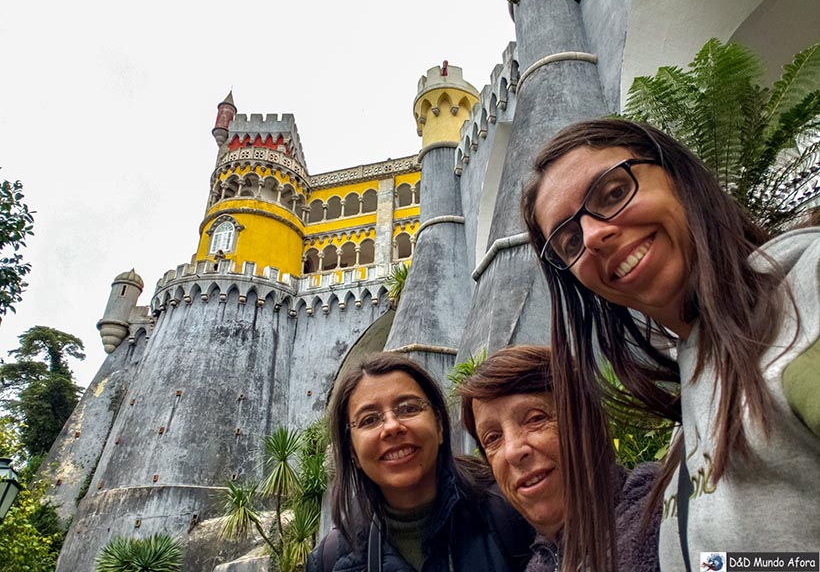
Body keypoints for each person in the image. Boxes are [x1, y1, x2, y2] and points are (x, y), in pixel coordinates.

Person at [520, 118, 820, 572]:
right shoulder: (695, 396)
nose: (595, 235)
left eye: (614, 193)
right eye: (569, 241)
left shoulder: (805, 308)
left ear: (678, 176)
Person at [306, 352, 533, 572]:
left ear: (439, 425)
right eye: (370, 419)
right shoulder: (331, 559)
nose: (392, 427)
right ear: (352, 451)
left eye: (408, 408)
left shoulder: (512, 514)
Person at [458, 345, 660, 572]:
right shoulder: (539, 566)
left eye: (535, 419)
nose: (513, 451)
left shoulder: (672, 516)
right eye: (493, 438)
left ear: (588, 423)